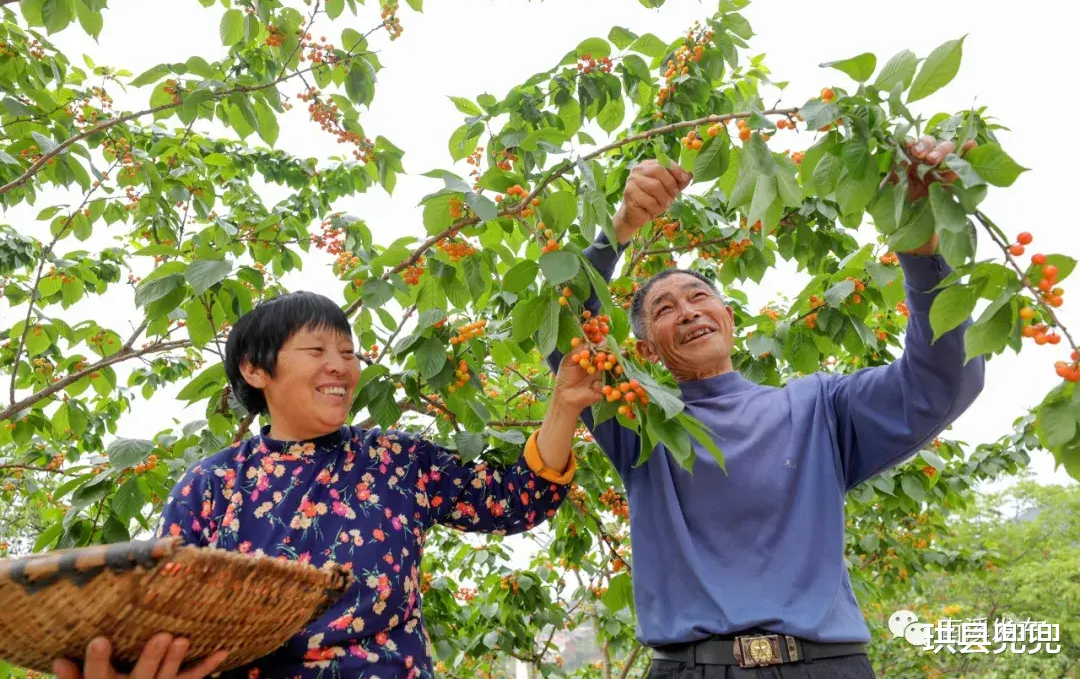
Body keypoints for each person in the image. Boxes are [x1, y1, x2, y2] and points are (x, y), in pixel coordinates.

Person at [546, 137, 986, 678]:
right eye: (664, 308)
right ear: (644, 350)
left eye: (699, 296)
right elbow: (561, 335)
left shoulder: (819, 407)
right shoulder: (638, 420)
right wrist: (618, 229)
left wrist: (922, 250)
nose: (687, 311)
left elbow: (939, 383)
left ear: (728, 319)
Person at [53, 291, 603, 679]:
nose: (340, 366)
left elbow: (514, 502)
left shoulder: (396, 459)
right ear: (254, 370)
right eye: (317, 351)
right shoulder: (210, 485)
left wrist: (563, 406)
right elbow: (167, 616)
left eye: (347, 352)